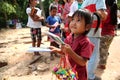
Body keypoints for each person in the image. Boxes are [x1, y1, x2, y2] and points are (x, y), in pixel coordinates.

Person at [49, 9, 97, 80]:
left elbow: (83, 62)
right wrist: (57, 50)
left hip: (79, 75)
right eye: (73, 19)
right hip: (69, 72)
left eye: (78, 20)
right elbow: (66, 52)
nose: (73, 23)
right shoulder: (69, 37)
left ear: (87, 27)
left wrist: (70, 52)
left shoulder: (86, 42)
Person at [80, 0, 107, 80]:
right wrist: (104, 14)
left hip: (84, 31)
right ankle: (90, 77)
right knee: (94, 56)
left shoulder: (84, 2)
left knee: (84, 55)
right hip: (94, 32)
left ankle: (83, 74)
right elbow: (103, 15)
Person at [98, 0, 118, 70]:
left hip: (104, 34)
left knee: (102, 49)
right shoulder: (113, 12)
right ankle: (103, 62)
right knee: (105, 49)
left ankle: (102, 64)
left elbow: (103, 22)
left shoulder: (106, 12)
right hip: (111, 34)